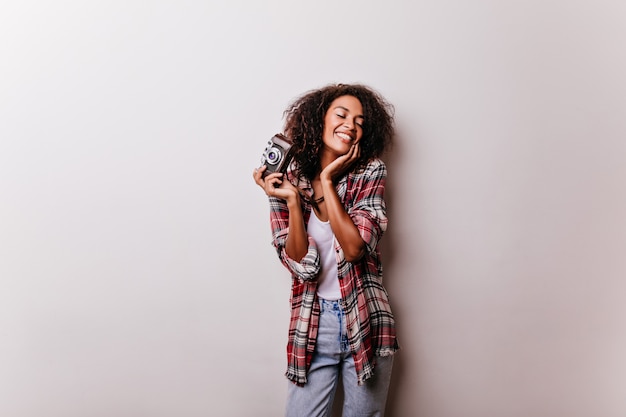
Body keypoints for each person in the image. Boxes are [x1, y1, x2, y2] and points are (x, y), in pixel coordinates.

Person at [253, 83, 399, 417]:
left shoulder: (369, 172)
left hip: (367, 321)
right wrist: (290, 201)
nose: (351, 124)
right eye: (342, 114)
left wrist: (329, 180)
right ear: (320, 119)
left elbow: (354, 249)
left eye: (360, 121)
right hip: (313, 323)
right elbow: (303, 266)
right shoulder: (287, 178)